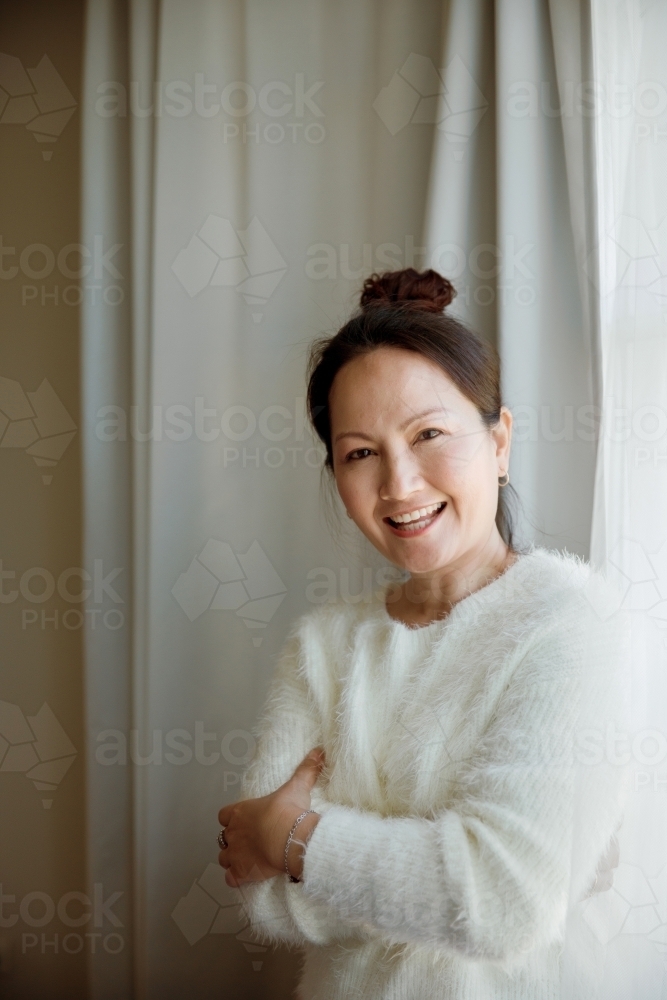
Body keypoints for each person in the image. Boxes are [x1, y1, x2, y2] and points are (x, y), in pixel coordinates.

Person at [217, 269, 630, 999]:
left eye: (429, 434)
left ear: (498, 442)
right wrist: (432, 877)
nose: (399, 484)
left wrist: (294, 841)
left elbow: (502, 905)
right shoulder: (321, 645)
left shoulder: (570, 627)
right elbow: (263, 899)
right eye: (359, 452)